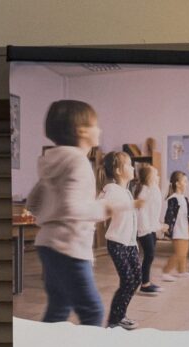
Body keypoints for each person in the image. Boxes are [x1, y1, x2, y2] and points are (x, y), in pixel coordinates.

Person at [27, 100, 127, 326]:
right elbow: (72, 208)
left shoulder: (52, 161)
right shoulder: (79, 162)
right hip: (68, 247)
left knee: (59, 307)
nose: (99, 130)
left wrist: (49, 216)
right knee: (92, 311)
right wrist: (105, 208)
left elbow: (33, 202)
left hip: (47, 244)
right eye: (96, 125)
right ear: (82, 131)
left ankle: (42, 346)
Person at [99, 151, 142, 329]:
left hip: (130, 244)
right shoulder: (111, 189)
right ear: (118, 170)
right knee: (128, 280)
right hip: (117, 243)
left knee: (136, 279)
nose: (133, 167)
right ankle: (114, 320)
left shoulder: (126, 191)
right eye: (129, 164)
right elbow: (99, 206)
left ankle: (120, 315)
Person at [133, 164, 163, 294]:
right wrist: (146, 228)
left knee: (150, 255)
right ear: (149, 177)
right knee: (149, 255)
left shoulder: (152, 188)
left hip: (151, 227)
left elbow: (153, 211)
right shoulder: (145, 191)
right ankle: (144, 285)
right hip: (144, 228)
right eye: (155, 174)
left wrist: (157, 225)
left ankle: (146, 282)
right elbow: (142, 213)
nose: (158, 176)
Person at [161, 171, 189, 282]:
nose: (186, 183)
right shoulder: (173, 198)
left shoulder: (184, 199)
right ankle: (165, 272)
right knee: (179, 253)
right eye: (184, 181)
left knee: (184, 253)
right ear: (177, 184)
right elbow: (169, 213)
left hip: (184, 230)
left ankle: (181, 271)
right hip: (177, 230)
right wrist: (167, 225)